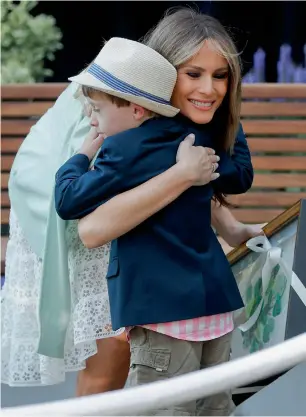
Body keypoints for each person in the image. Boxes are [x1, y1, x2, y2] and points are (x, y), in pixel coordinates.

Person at [1, 7, 261, 402]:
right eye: (193, 74)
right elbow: (91, 228)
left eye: (220, 76)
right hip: (62, 187)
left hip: (128, 200)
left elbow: (187, 180)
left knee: (142, 346)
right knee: (112, 356)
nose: (209, 88)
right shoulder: (117, 115)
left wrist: (230, 227)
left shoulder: (191, 112)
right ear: (162, 74)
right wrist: (180, 176)